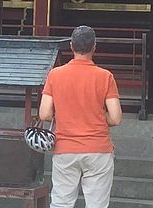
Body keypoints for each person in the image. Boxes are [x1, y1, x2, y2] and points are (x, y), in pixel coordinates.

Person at [39, 25, 122, 208]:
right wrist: (98, 118)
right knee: (97, 204)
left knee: (61, 203)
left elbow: (44, 113)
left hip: (65, 147)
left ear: (71, 46)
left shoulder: (55, 75)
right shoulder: (105, 77)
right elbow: (115, 118)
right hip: (98, 148)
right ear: (94, 47)